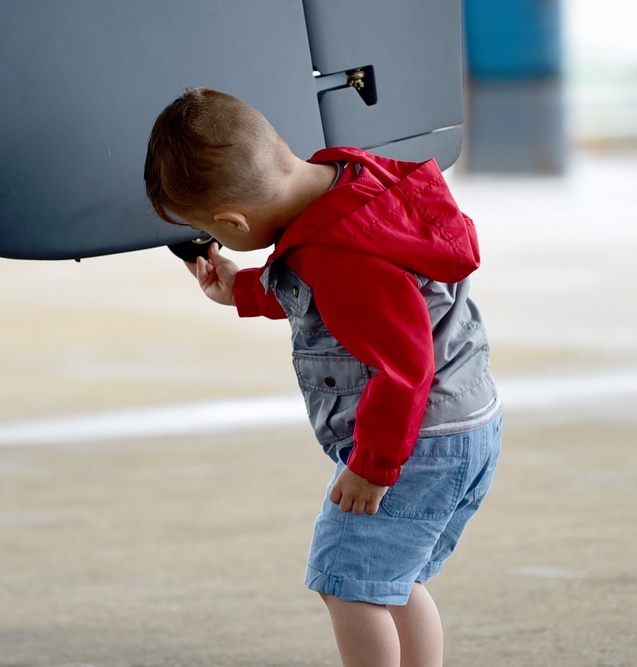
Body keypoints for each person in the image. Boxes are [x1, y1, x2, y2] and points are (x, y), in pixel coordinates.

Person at [144, 87, 502, 667]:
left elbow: (403, 366)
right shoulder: (350, 183)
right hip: (461, 424)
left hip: (415, 442)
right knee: (392, 577)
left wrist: (372, 466)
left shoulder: (343, 257)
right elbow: (315, 282)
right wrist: (241, 287)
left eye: (215, 233)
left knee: (346, 580)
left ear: (232, 220)